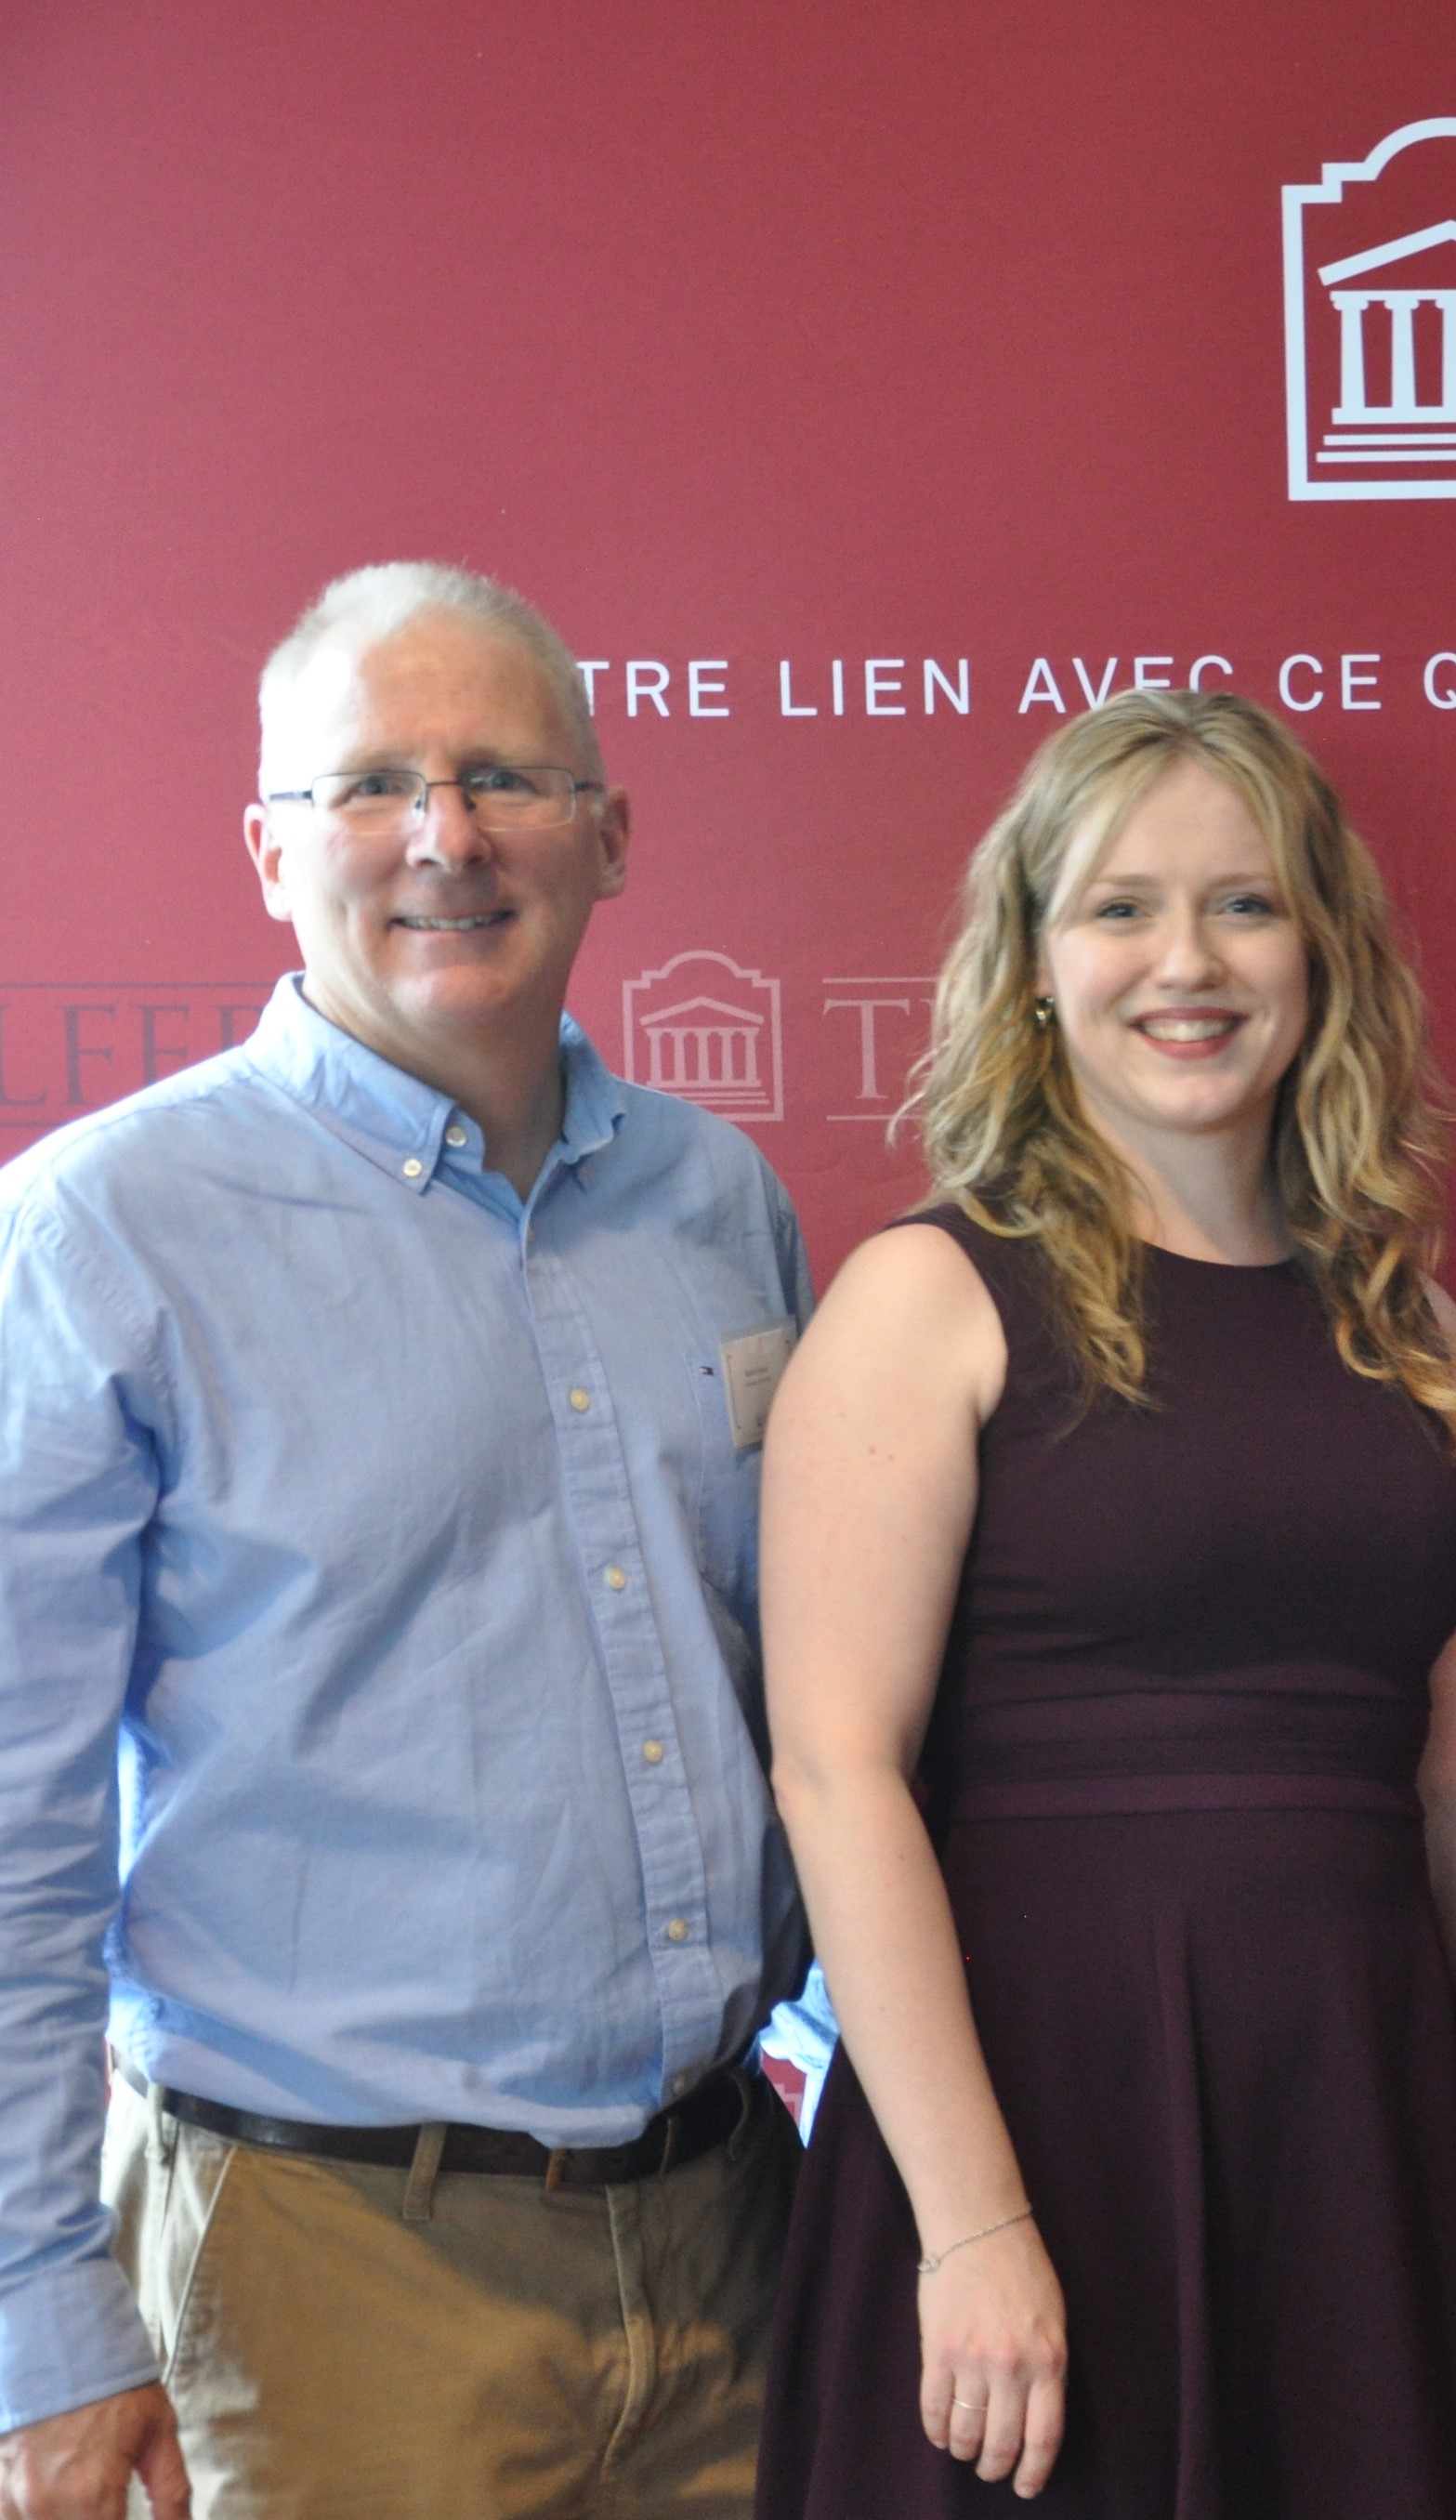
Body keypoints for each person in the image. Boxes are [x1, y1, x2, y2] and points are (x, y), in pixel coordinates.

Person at [0, 562, 809, 2519]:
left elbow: (813, 1698)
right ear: (270, 850)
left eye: (504, 778)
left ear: (610, 836)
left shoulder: (723, 1202)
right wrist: (37, 2310)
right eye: (370, 786)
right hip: (324, 2275)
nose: (444, 837)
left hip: (739, 2246)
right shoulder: (99, 1237)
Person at [750, 689, 1456, 2515]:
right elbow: (834, 1772)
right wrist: (969, 2226)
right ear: (1036, 962)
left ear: (1323, 950)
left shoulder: (1409, 1328)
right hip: (1032, 2128)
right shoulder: (924, 1301)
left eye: (1243, 904)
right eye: (1120, 907)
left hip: (1352, 2135)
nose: (1184, 960)